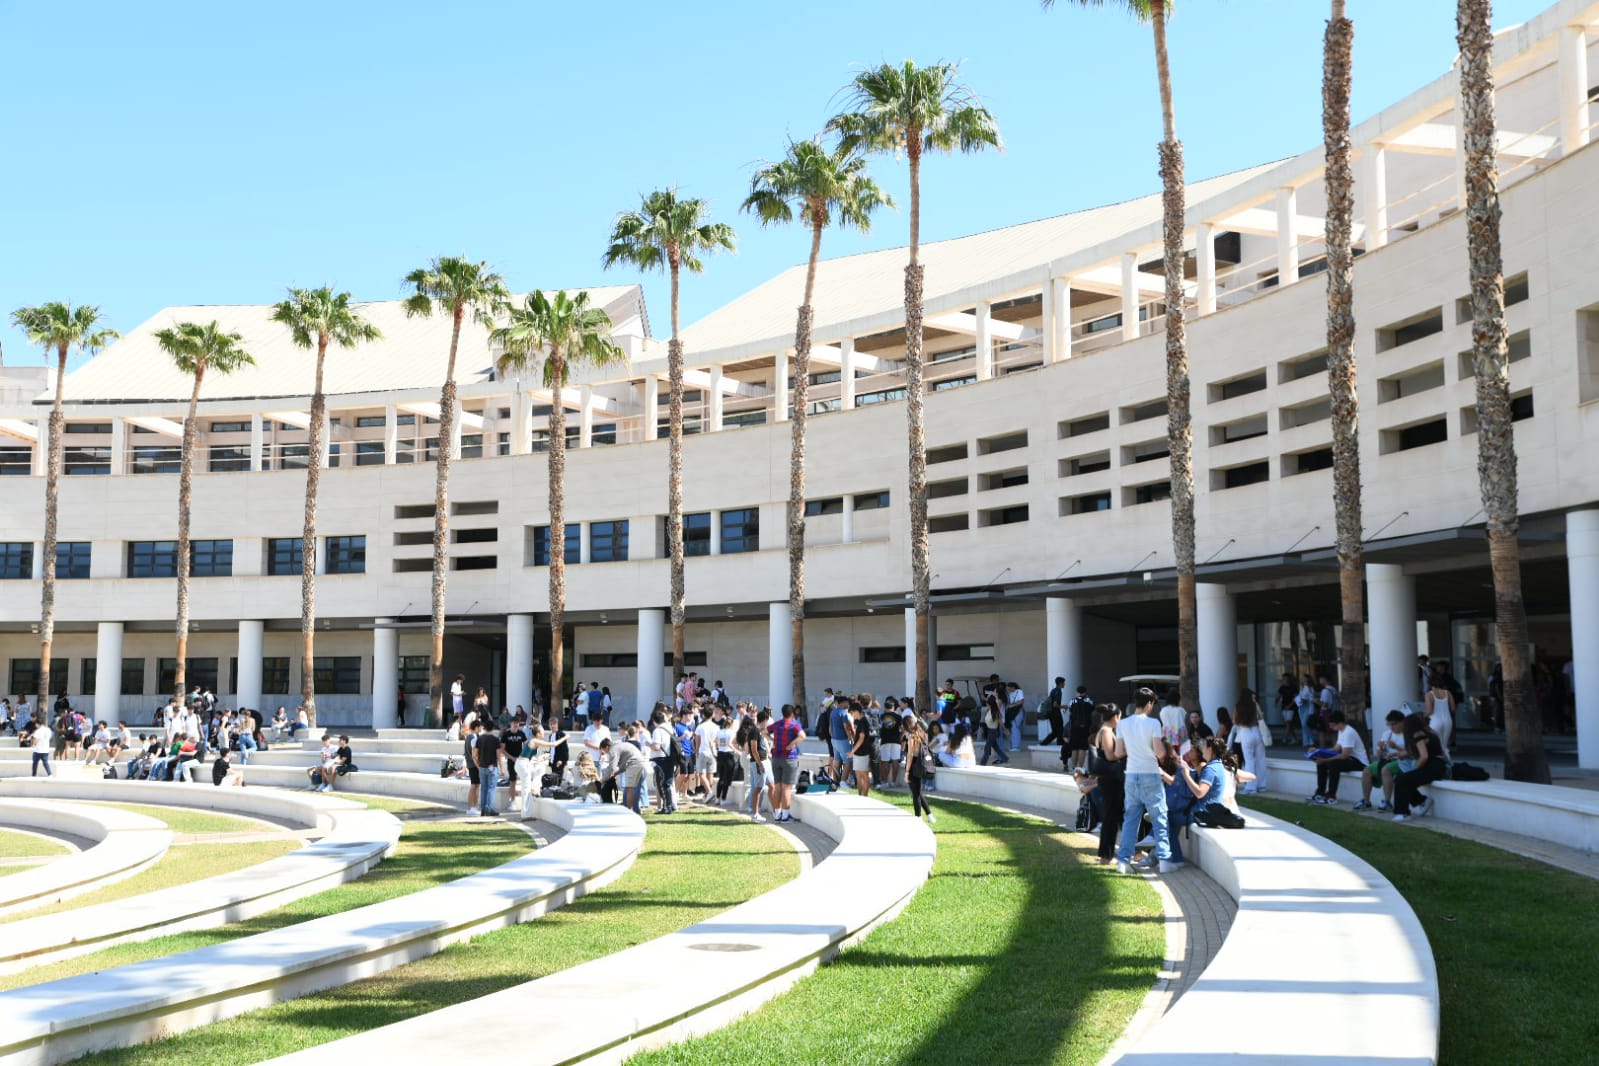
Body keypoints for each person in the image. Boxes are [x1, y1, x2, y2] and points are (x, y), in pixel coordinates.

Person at [1115, 687, 1178, 875]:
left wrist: (1134, 749)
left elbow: (1118, 753)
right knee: (1160, 818)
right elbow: (1159, 752)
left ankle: (1123, 862)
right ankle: (1165, 861)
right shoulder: (1153, 723)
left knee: (1130, 820)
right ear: (1149, 703)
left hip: (1131, 774)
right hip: (1150, 773)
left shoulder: (1123, 724)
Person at [1392, 712, 1448, 822]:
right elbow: (1420, 752)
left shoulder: (1418, 735)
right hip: (1437, 765)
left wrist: (1415, 769)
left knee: (1403, 779)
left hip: (1434, 766)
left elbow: (1424, 756)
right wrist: (1399, 754)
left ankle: (1402, 813)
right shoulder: (1427, 733)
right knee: (1401, 779)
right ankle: (1422, 801)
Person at [1088, 704, 1125, 866]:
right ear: (1115, 716)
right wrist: (1127, 751)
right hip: (1111, 779)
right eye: (1120, 717)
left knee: (1111, 816)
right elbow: (1111, 756)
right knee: (1111, 816)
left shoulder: (1103, 730)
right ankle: (1106, 855)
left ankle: (1106, 854)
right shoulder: (1107, 731)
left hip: (1106, 779)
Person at [1309, 709, 1368, 805]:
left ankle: (1331, 795)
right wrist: (1317, 751)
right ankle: (1320, 792)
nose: (1330, 727)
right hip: (1350, 759)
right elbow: (1336, 749)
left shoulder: (1349, 732)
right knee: (1321, 763)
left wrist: (1325, 759)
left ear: (1339, 723)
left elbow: (1344, 755)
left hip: (1359, 762)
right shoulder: (1341, 731)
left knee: (1333, 763)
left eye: (1332, 725)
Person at [1355, 710, 1408, 812]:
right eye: (1390, 724)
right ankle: (1366, 801)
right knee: (1367, 770)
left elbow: (1411, 752)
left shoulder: (1407, 734)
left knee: (1386, 769)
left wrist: (1396, 748)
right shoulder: (1387, 734)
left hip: (1402, 760)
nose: (1392, 727)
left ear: (1402, 722)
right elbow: (1379, 755)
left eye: (1394, 724)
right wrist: (1380, 749)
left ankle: (1387, 801)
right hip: (1387, 759)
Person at [767, 704, 805, 823]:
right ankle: (785, 816)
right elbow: (802, 736)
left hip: (776, 758)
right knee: (787, 788)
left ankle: (777, 815)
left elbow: (763, 732)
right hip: (789, 758)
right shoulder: (794, 725)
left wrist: (772, 740)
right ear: (792, 713)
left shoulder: (777, 724)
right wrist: (791, 744)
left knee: (777, 788)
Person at [1231, 691, 1269, 794]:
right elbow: (1261, 717)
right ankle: (1262, 786)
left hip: (1245, 732)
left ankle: (1251, 787)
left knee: (1249, 761)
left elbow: (1234, 721)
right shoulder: (1255, 704)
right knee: (1261, 759)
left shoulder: (1237, 706)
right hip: (1257, 731)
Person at [739, 710, 773, 821]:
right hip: (759, 763)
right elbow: (753, 750)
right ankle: (755, 813)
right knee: (758, 788)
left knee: (772, 786)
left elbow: (770, 740)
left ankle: (776, 811)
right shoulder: (754, 731)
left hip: (765, 761)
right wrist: (760, 764)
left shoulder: (762, 731)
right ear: (765, 720)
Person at [600, 736, 647, 813]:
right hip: (641, 764)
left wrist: (603, 779)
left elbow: (612, 767)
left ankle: (628, 812)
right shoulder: (619, 746)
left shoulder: (613, 750)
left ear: (607, 747)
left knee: (629, 789)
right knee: (636, 790)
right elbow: (623, 765)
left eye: (603, 751)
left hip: (634, 765)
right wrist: (615, 773)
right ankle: (636, 810)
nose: (605, 753)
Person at [904, 713, 936, 824]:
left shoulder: (911, 736)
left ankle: (918, 817)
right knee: (917, 791)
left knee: (916, 794)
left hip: (913, 765)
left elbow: (910, 755)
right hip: (922, 764)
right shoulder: (923, 734)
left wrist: (907, 772)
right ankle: (930, 815)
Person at [646, 706, 679, 814]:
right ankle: (670, 806)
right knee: (668, 783)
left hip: (660, 759)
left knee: (662, 784)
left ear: (654, 721)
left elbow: (656, 746)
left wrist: (647, 744)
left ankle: (666, 807)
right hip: (670, 758)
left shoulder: (658, 730)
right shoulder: (670, 728)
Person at [1065, 686, 1096, 774]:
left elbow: (1070, 711)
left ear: (1077, 692)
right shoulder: (1090, 701)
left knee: (1074, 748)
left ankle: (1073, 768)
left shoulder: (1072, 701)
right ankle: (1080, 768)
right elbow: (1093, 711)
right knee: (1083, 748)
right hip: (1086, 727)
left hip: (1075, 727)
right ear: (1085, 692)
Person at [475, 721, 503, 816]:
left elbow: (474, 755)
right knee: (491, 788)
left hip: (482, 767)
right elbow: (499, 756)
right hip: (492, 767)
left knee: (483, 788)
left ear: (484, 727)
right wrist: (502, 769)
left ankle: (483, 809)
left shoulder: (480, 739)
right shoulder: (495, 740)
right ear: (493, 728)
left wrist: (478, 765)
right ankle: (488, 808)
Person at [1424, 676, 1455, 755]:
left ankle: (1440, 765)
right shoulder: (1448, 693)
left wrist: (1422, 716)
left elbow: (1429, 711)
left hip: (1435, 721)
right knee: (1444, 746)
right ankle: (1447, 764)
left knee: (1437, 747)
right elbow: (1453, 708)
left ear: (1430, 684)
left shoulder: (1429, 694)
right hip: (1448, 720)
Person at [847, 702, 873, 796]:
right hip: (858, 752)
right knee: (858, 775)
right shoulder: (860, 721)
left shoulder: (863, 722)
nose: (852, 716)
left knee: (863, 775)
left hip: (863, 752)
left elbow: (861, 738)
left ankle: (864, 796)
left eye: (852, 713)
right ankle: (860, 795)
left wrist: (852, 751)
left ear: (856, 711)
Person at [713, 710, 738, 805]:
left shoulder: (720, 731)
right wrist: (738, 751)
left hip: (721, 754)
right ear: (731, 724)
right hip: (728, 754)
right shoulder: (732, 732)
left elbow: (715, 741)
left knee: (721, 776)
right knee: (727, 777)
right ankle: (723, 799)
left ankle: (718, 798)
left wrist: (720, 747)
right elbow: (730, 743)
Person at [979, 690, 1009, 766]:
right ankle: (1005, 758)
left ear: (991, 704)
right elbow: (989, 699)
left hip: (993, 732)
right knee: (996, 748)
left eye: (988, 704)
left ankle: (982, 763)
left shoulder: (996, 712)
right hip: (989, 731)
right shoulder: (989, 710)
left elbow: (1001, 723)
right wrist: (993, 695)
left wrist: (1006, 730)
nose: (986, 705)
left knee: (987, 747)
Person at [877, 703, 903, 787]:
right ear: (893, 707)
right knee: (895, 760)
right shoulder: (898, 716)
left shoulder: (882, 716)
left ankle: (885, 781)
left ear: (885, 707)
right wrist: (901, 736)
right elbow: (903, 728)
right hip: (896, 740)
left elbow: (879, 728)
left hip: (885, 740)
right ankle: (894, 782)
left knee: (885, 761)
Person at [1042, 676, 1066, 747]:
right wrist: (1063, 707)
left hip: (1051, 713)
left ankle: (1058, 743)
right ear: (1060, 683)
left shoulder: (1053, 690)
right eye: (1064, 683)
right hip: (1055, 714)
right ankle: (1046, 743)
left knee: (1056, 731)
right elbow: (1055, 705)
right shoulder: (1058, 691)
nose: (1064, 684)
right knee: (1059, 730)